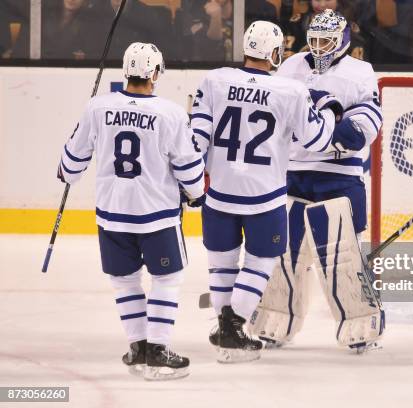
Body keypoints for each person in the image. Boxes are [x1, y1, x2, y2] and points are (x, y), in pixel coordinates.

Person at [190, 20, 344, 363]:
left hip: (220, 193)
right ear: (275, 53)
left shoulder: (214, 80)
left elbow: (195, 139)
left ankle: (224, 325)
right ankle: (232, 327)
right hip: (265, 196)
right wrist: (331, 111)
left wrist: (185, 182)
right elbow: (317, 140)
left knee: (221, 265)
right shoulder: (290, 91)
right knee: (261, 261)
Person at [56, 42, 205, 380]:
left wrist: (67, 172)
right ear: (155, 73)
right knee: (167, 278)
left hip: (112, 212)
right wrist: (196, 194)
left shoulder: (98, 107)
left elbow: (72, 161)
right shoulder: (170, 113)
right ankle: (158, 349)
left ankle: (138, 346)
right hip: (156, 215)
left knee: (124, 281)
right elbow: (188, 165)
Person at [250, 9, 385, 353]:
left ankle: (362, 321)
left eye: (327, 41)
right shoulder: (292, 66)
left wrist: (332, 132)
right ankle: (277, 317)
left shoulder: (360, 71)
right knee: (283, 250)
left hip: (339, 177)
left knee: (341, 256)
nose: (319, 47)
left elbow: (365, 122)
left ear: (342, 41)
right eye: (314, 40)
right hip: (293, 173)